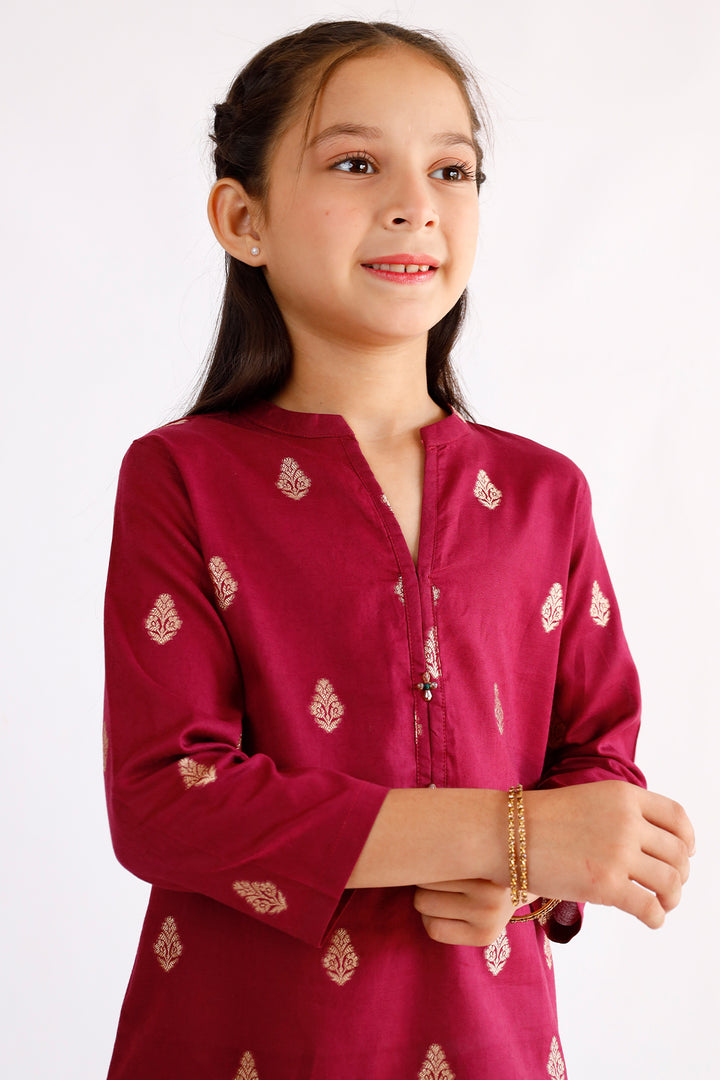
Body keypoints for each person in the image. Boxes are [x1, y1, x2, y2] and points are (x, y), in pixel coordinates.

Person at [102, 20, 694, 1079]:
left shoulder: (544, 493)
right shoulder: (182, 477)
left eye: (451, 170)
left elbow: (595, 762)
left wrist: (534, 872)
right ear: (243, 219)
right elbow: (165, 803)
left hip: (491, 1039)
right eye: (355, 162)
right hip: (239, 1037)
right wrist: (505, 834)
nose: (415, 202)